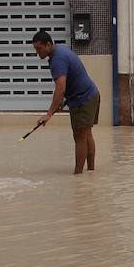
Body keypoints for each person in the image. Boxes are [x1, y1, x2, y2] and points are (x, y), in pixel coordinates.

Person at [31, 30, 101, 174]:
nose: (37, 53)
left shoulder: (57, 59)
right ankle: (91, 172)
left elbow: (60, 88)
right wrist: (63, 102)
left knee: (80, 136)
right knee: (86, 134)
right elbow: (70, 81)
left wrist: (49, 114)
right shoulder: (61, 50)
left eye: (39, 48)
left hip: (83, 99)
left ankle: (78, 175)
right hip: (91, 94)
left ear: (48, 44)